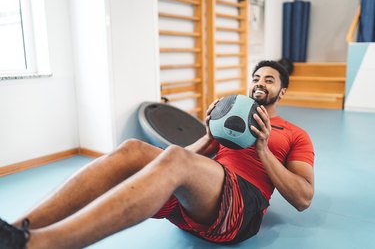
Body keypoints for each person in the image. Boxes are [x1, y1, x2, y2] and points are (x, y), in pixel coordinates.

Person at [0, 60, 314, 249]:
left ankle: (41, 244)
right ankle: (15, 232)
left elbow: (303, 198)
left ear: (282, 91)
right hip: (195, 203)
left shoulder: (295, 134)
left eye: (269, 80)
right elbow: (182, 163)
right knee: (131, 149)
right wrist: (207, 138)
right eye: (256, 78)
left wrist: (262, 149)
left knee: (176, 158)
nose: (260, 84)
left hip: (239, 210)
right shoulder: (232, 114)